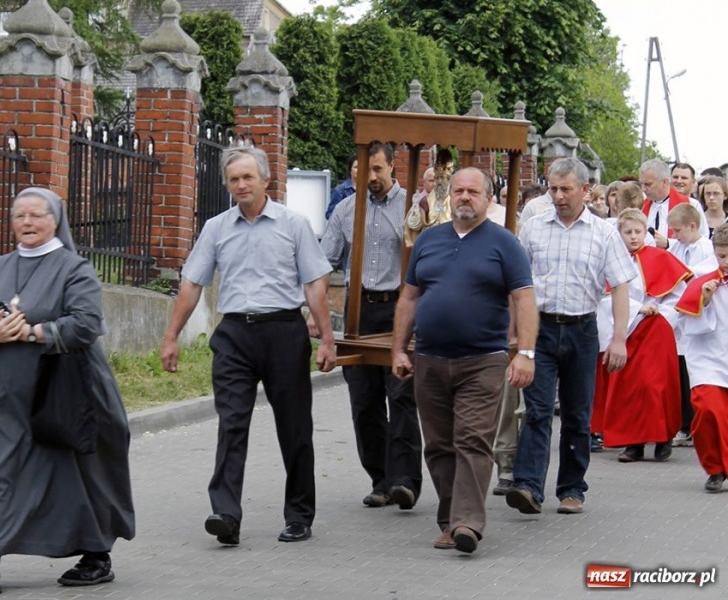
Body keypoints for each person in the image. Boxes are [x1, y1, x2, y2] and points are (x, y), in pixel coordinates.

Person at [0, 187, 135, 595]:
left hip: (65, 387)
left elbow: (86, 324)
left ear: (55, 221)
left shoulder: (74, 268)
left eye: (36, 216)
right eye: (19, 216)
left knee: (78, 474)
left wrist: (33, 332)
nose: (27, 223)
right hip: (4, 393)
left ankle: (96, 554)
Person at [160, 145, 337, 546]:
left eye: (247, 177)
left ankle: (298, 514)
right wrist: (171, 336)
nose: (241, 185)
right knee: (231, 423)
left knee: (294, 427)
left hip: (284, 333)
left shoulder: (293, 225)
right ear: (227, 185)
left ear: (265, 180)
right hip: (235, 335)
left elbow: (314, 284)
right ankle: (226, 513)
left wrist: (326, 338)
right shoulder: (216, 228)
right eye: (234, 179)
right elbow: (192, 284)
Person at [391, 167, 537, 554]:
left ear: (488, 199)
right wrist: (398, 348)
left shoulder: (505, 244)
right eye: (458, 191)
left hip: (483, 360)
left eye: (473, 191)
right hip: (430, 359)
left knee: (472, 440)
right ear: (448, 196)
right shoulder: (428, 240)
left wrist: (524, 352)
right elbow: (409, 297)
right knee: (439, 445)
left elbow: (524, 299)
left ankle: (468, 522)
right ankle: (449, 518)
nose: (465, 197)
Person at [507, 157, 638, 516]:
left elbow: (622, 285)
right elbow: (517, 285)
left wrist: (619, 339)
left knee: (578, 415)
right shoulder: (533, 228)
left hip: (582, 331)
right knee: (536, 410)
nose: (559, 196)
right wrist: (514, 333)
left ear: (585, 190)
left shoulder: (604, 232)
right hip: (541, 329)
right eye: (553, 188)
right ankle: (528, 486)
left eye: (566, 189)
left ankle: (571, 489)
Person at [320, 142, 423, 510]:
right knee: (364, 401)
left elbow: (422, 253)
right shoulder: (346, 210)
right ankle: (380, 479)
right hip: (358, 309)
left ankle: (405, 480)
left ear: (393, 166)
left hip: (399, 306)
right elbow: (324, 260)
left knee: (401, 394)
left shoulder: (412, 206)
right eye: (364, 171)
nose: (371, 177)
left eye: (378, 169)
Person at [592, 209, 690, 463]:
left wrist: (659, 312)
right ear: (619, 234)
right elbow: (604, 296)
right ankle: (633, 442)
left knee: (655, 384)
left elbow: (679, 295)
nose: (634, 237)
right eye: (628, 232)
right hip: (627, 329)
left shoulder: (660, 257)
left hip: (657, 328)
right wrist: (637, 309)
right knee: (629, 386)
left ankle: (662, 437)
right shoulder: (612, 261)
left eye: (638, 232)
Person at [676, 224, 728, 492]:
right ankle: (715, 468)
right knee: (707, 410)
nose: (725, 262)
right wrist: (704, 300)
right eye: (721, 256)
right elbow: (688, 323)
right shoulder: (702, 278)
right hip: (708, 359)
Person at [667, 203, 715, 448]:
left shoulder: (708, 248)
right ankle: (682, 425)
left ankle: (692, 426)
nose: (674, 235)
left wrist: (685, 273)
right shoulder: (675, 247)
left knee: (691, 377)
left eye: (678, 230)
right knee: (678, 375)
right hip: (677, 317)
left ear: (693, 226)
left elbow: (704, 273)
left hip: (698, 315)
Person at [639, 159, 707, 251]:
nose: (643, 189)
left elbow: (702, 241)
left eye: (648, 184)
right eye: (641, 184)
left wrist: (668, 243)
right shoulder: (641, 205)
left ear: (664, 182)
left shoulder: (691, 205)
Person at [404, 150, 455, 246]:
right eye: (437, 178)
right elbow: (414, 225)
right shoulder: (425, 201)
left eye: (442, 178)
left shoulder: (456, 199)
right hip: (430, 245)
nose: (439, 182)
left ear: (449, 179)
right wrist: (415, 208)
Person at [326, 154, 358, 220]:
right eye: (356, 167)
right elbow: (330, 215)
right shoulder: (340, 190)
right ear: (350, 170)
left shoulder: (370, 191)